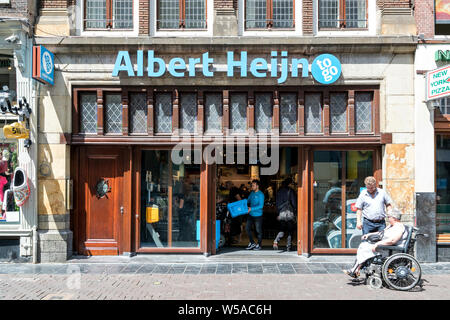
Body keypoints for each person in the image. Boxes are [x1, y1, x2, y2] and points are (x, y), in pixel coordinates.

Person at [344, 209, 407, 278]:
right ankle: (356, 270)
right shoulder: (391, 226)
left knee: (364, 248)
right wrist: (369, 234)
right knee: (363, 245)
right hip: (385, 247)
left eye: (389, 217)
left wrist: (377, 244)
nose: (388, 218)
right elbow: (381, 232)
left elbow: (393, 240)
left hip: (391, 249)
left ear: (394, 218)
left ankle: (355, 270)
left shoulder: (399, 227)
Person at [273, 178, 297, 251]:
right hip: (289, 213)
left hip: (281, 213)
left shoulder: (279, 191)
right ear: (289, 184)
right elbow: (294, 203)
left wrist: (278, 213)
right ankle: (289, 246)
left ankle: (276, 241)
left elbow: (277, 204)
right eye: (291, 184)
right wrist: (295, 212)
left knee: (282, 228)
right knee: (290, 230)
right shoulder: (291, 191)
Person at [246, 179, 265, 250]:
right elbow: (247, 201)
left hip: (258, 215)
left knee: (258, 231)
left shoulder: (261, 194)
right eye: (252, 185)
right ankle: (252, 243)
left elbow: (261, 206)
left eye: (253, 185)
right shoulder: (252, 193)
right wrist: (241, 204)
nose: (252, 187)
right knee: (247, 229)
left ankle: (259, 245)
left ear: (257, 186)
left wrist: (251, 208)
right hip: (250, 214)